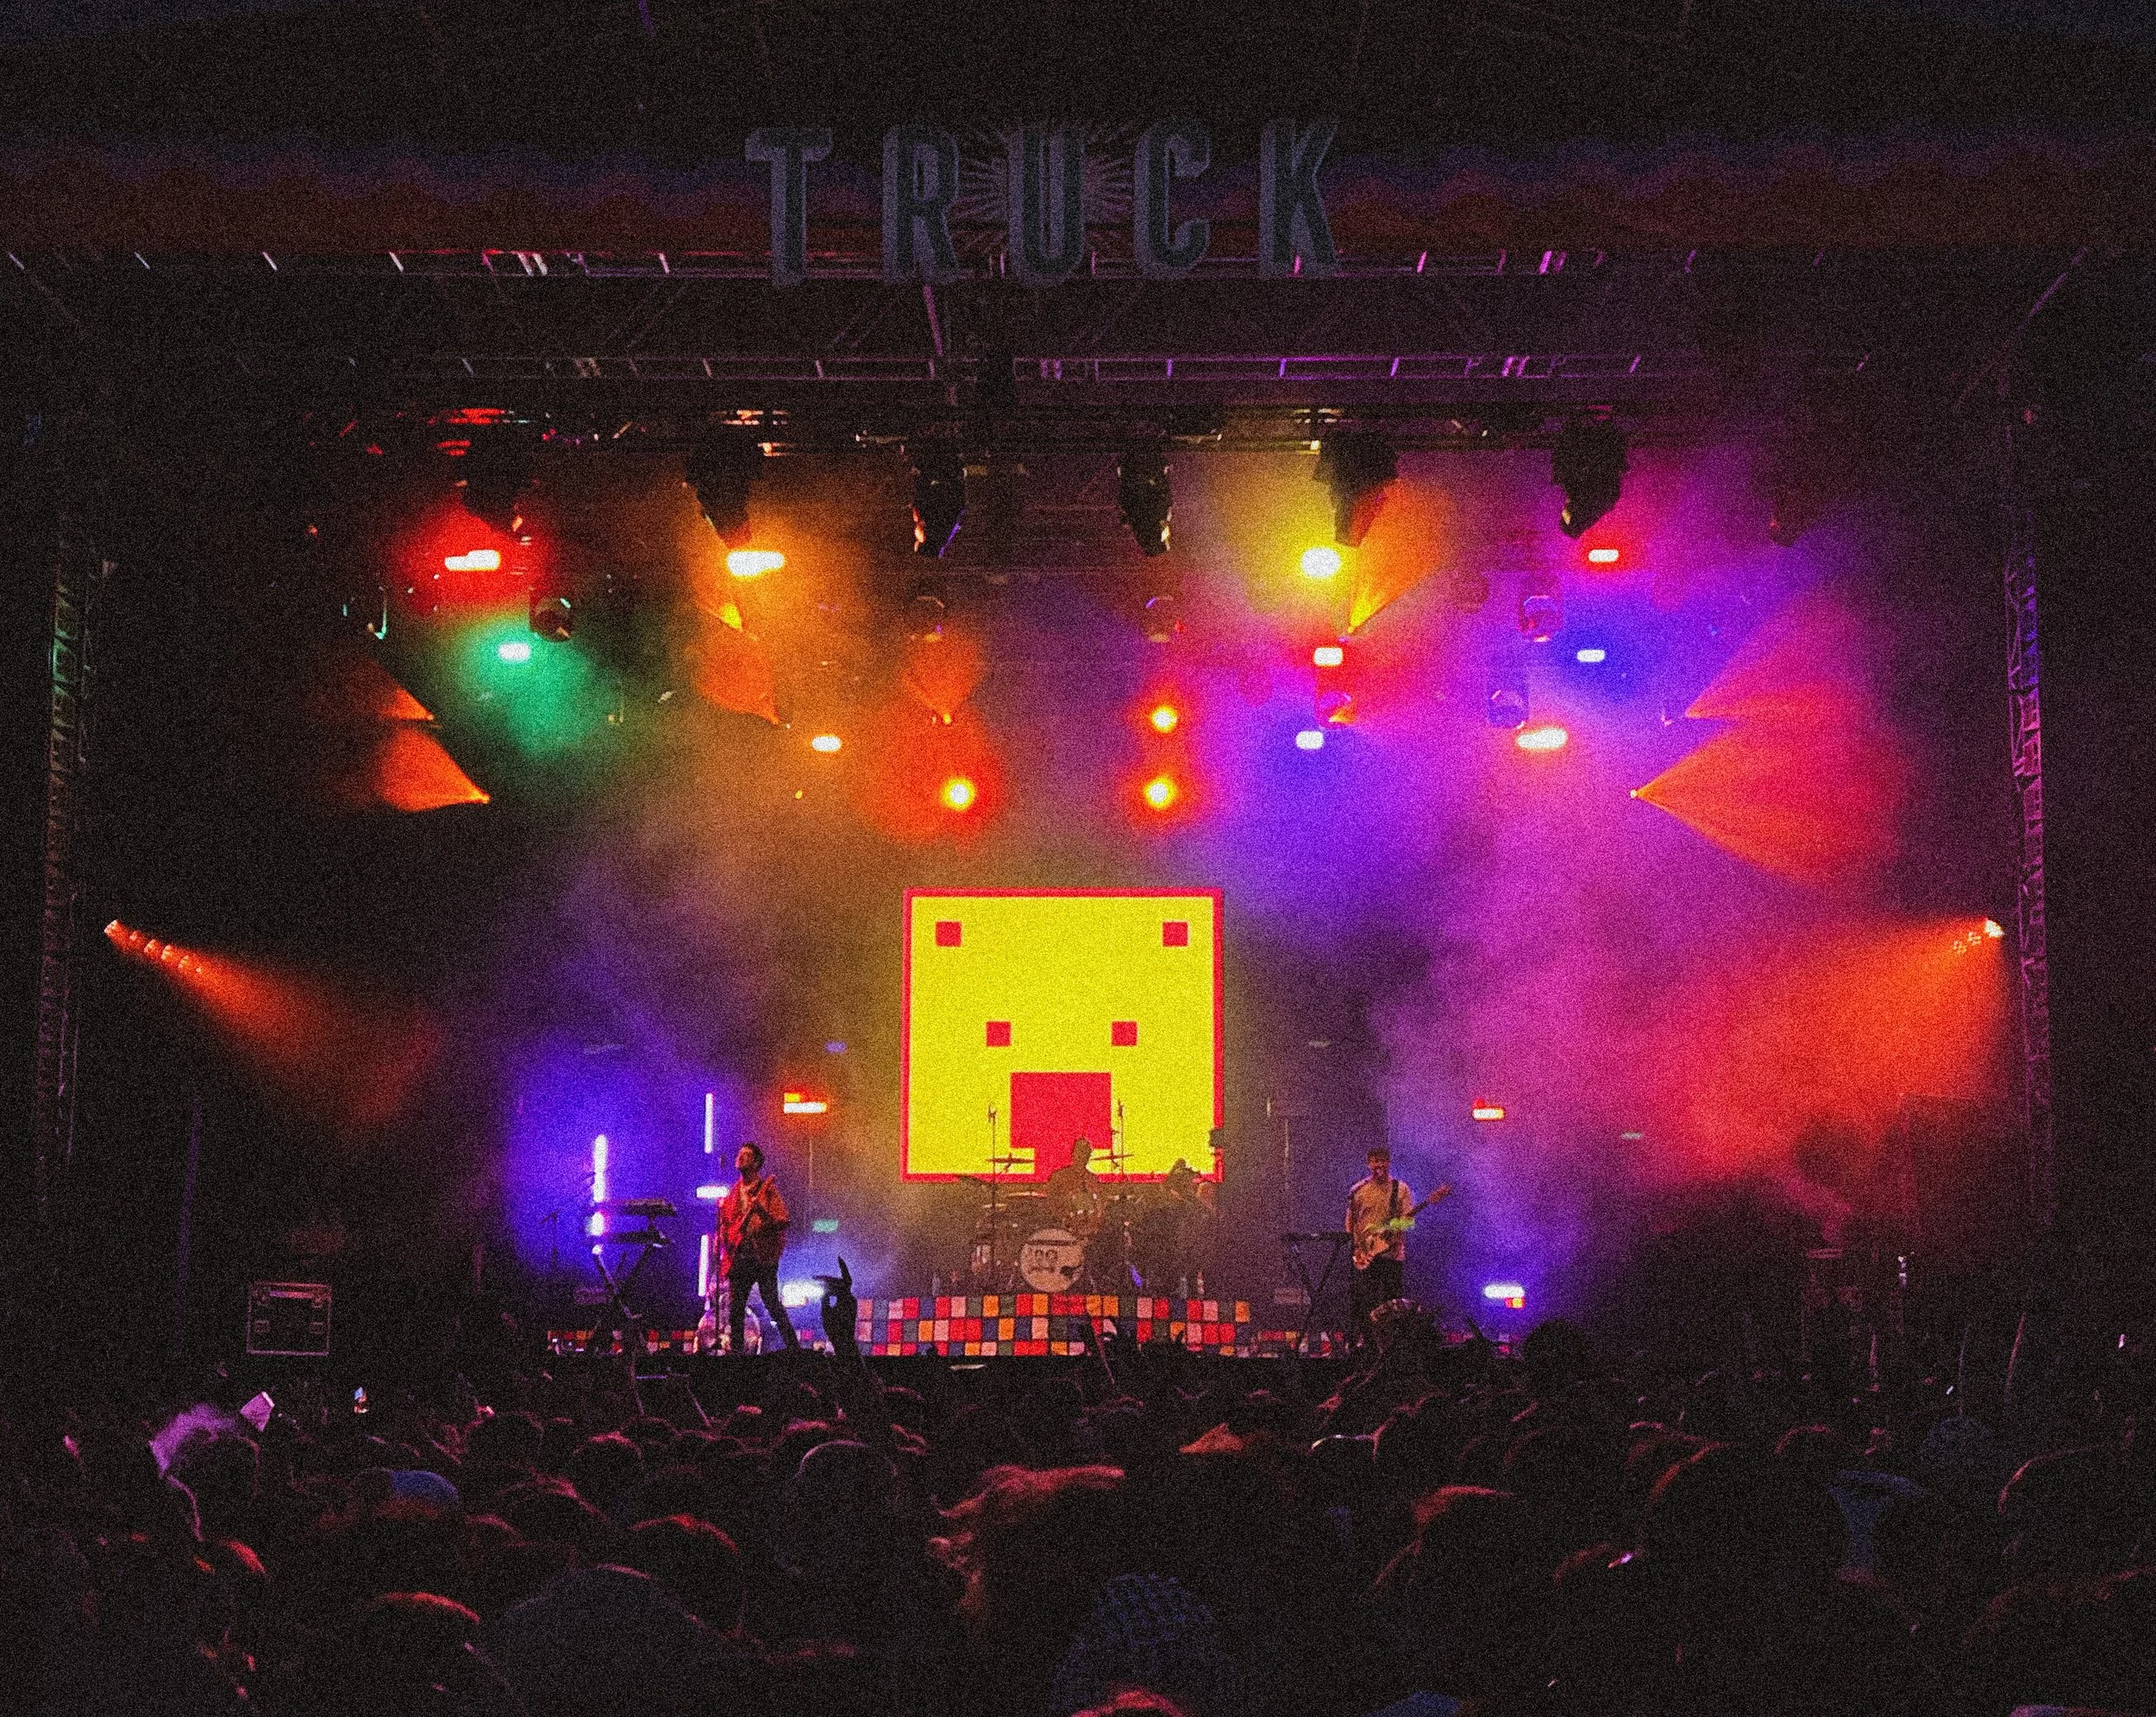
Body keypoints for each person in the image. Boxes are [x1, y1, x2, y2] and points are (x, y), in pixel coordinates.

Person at [1346, 1147, 1446, 1342]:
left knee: (1392, 1301)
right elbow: (1350, 1222)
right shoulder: (1358, 1190)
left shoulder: (1400, 1189)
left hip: (1392, 1254)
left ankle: (1392, 1341)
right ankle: (1366, 1341)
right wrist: (1357, 1247)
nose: (1379, 1165)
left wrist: (1387, 1229)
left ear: (1389, 1163)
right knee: (1365, 1300)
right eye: (1375, 1161)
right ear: (1369, 1164)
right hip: (1365, 1254)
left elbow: (1408, 1221)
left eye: (1383, 1161)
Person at [718, 1142, 799, 1353]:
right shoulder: (733, 1194)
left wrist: (761, 1211)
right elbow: (726, 1226)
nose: (740, 1157)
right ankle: (737, 1356)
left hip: (762, 1256)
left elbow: (782, 1221)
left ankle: (795, 1349)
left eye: (746, 1155)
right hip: (740, 1257)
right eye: (739, 1154)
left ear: (756, 1162)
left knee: (772, 1303)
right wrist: (726, 1241)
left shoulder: (768, 1189)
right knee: (736, 1310)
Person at [1044, 1137, 1104, 1238]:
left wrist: (1095, 1222)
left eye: (1086, 1152)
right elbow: (1050, 1201)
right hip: (1064, 1228)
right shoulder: (1060, 1177)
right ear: (1073, 1153)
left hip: (1089, 1228)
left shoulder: (1092, 1179)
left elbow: (1099, 1204)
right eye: (1080, 1151)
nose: (1083, 1155)